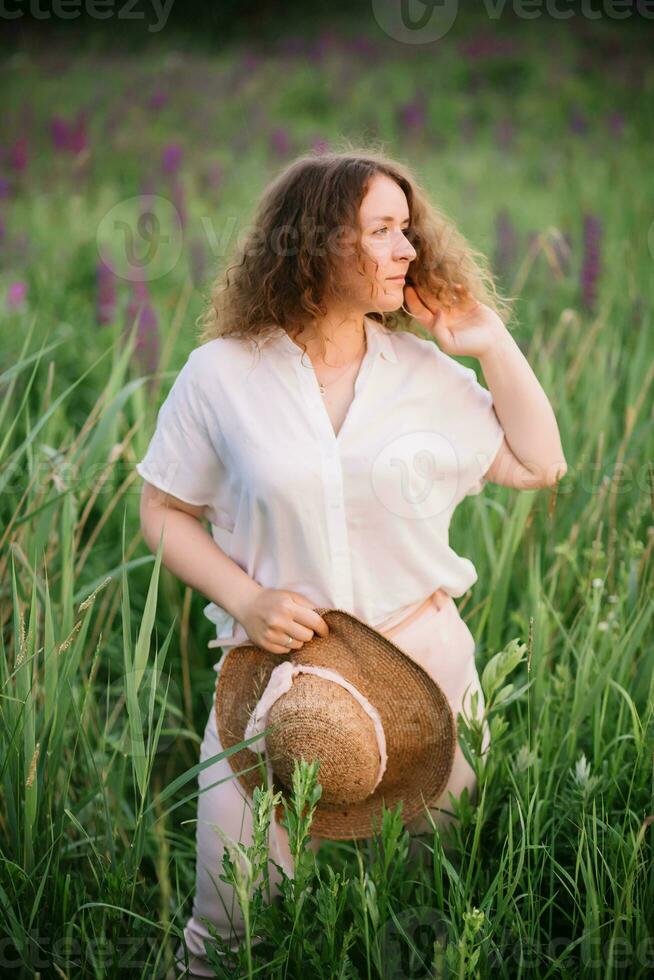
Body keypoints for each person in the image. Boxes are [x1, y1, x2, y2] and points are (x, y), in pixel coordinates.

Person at [136, 150, 568, 977]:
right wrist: (248, 597)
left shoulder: (421, 374)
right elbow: (163, 511)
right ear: (315, 244)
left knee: (430, 929)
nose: (409, 248)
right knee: (226, 935)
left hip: (424, 673)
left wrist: (491, 342)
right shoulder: (222, 375)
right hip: (274, 676)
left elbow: (538, 462)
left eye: (408, 228)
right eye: (381, 230)